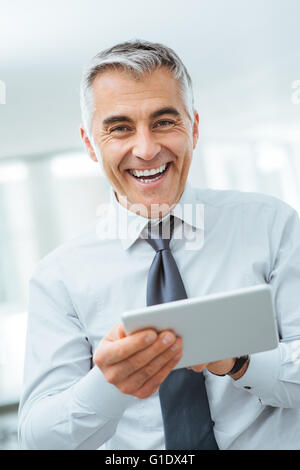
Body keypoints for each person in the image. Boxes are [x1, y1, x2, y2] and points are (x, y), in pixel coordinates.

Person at [18, 40, 300, 450]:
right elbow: (39, 439)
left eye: (165, 121)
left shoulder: (271, 225)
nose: (147, 149)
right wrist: (109, 385)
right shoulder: (58, 277)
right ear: (89, 143)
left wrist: (240, 362)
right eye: (119, 128)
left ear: (195, 128)